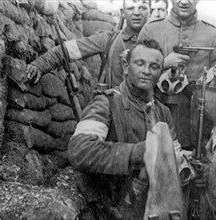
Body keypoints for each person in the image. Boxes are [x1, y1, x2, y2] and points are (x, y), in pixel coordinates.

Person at [67, 39, 177, 219]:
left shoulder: (162, 112)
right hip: (113, 206)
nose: (146, 71)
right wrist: (134, 153)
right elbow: (79, 149)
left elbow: (172, 159)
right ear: (126, 66)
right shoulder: (106, 103)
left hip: (151, 207)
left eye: (154, 66)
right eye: (140, 63)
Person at [138, 0, 216, 149]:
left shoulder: (212, 34)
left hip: (196, 124)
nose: (184, 1)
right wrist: (163, 63)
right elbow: (135, 71)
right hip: (155, 115)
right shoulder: (151, 30)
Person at [27, 0, 150, 88]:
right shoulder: (109, 39)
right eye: (130, 8)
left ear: (150, 11)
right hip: (114, 111)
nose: (137, 13)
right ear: (123, 12)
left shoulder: (159, 42)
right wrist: (40, 65)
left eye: (143, 7)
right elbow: (67, 51)